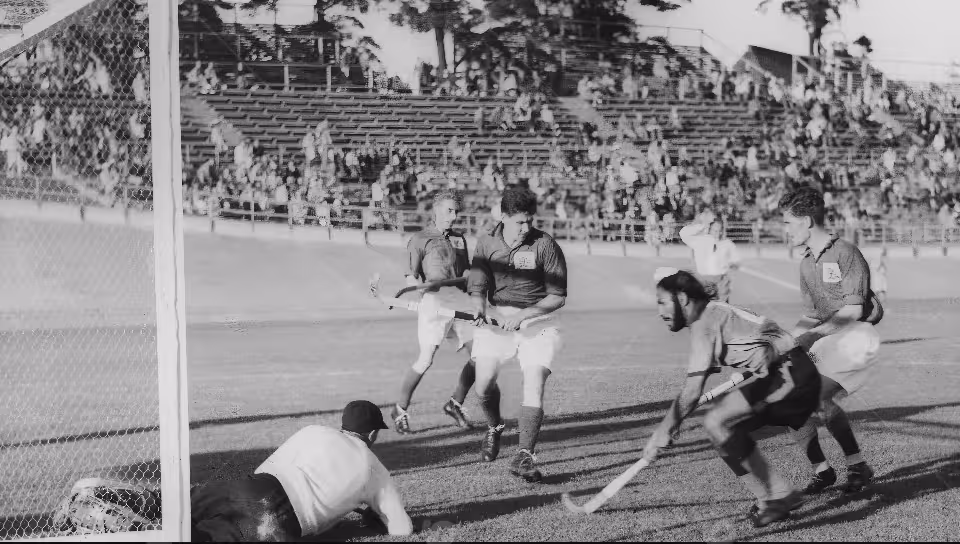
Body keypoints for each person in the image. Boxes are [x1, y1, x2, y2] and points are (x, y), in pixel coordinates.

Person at [641, 269, 821, 528]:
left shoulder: (705, 323)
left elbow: (692, 390)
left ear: (682, 299)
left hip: (792, 376)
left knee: (719, 422)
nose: (660, 312)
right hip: (787, 372)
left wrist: (663, 431)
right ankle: (768, 500)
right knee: (716, 425)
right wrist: (672, 424)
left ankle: (781, 495)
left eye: (662, 303)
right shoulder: (713, 311)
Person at [779, 187, 884, 495]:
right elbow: (810, 316)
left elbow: (853, 310)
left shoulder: (845, 252)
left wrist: (812, 336)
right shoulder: (806, 263)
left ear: (807, 221)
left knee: (816, 396)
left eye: (788, 223)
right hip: (827, 338)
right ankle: (822, 471)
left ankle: (857, 466)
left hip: (856, 338)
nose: (786, 230)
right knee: (788, 399)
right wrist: (787, 341)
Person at [190, 400, 414, 541]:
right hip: (280, 520)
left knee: (184, 505)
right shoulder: (375, 468)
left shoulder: (313, 431)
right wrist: (380, 517)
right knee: (211, 536)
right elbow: (402, 529)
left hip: (253, 486)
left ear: (344, 423)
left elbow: (265, 470)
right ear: (373, 434)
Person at [467, 185, 568, 482]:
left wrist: (523, 315)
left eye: (529, 221)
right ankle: (495, 426)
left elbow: (558, 296)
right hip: (497, 320)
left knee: (534, 382)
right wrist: (478, 308)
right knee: (483, 385)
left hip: (538, 322)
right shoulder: (486, 243)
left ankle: (525, 454)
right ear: (503, 217)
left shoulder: (545, 245)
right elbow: (478, 286)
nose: (526, 228)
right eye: (519, 222)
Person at [392, 189, 477, 434]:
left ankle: (454, 404)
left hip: (459, 301)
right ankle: (399, 409)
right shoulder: (420, 239)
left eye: (456, 211)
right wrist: (419, 287)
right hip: (434, 303)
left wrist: (470, 277)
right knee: (426, 359)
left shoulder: (459, 239)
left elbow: (465, 270)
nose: (454, 216)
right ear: (437, 210)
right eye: (449, 210)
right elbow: (410, 275)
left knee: (480, 355)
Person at [678, 218, 741, 302]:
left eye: (720, 230)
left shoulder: (728, 244)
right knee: (704, 307)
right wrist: (701, 226)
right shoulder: (699, 241)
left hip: (721, 281)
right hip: (704, 281)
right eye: (715, 230)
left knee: (722, 307)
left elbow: (735, 261)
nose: (717, 233)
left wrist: (729, 280)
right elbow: (683, 234)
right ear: (709, 229)